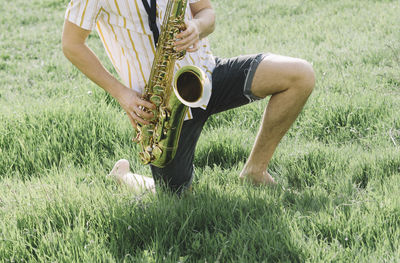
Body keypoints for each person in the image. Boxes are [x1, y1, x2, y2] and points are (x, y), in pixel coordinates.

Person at [62, 0, 315, 195]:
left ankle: (255, 171)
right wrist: (122, 94)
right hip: (162, 107)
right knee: (176, 197)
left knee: (300, 75)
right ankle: (125, 176)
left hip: (206, 74)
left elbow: (207, 13)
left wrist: (197, 27)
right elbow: (71, 44)